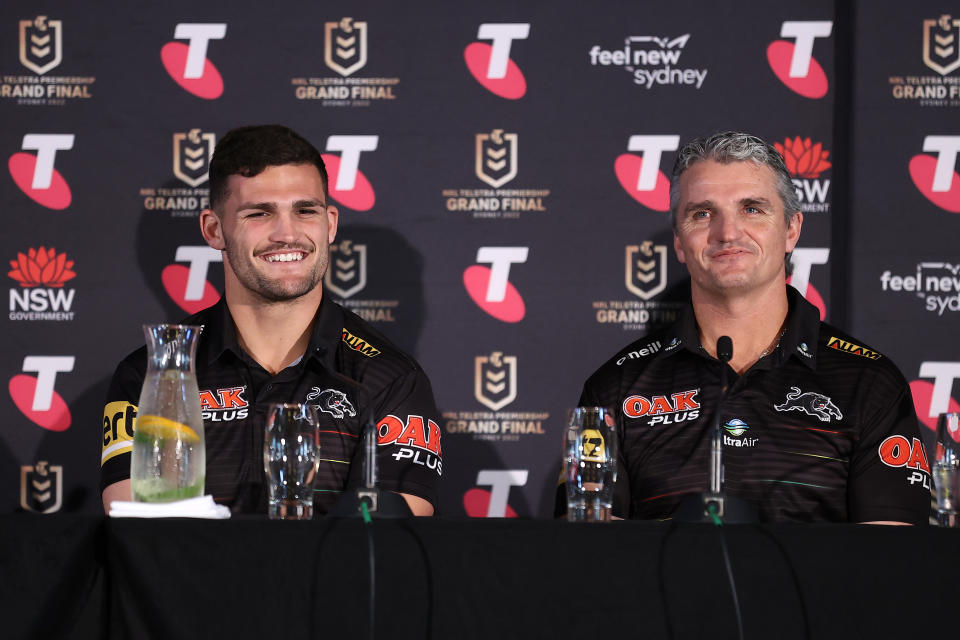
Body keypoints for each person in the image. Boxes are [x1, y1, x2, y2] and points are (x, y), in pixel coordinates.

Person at [573, 131, 929, 523]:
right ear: (678, 242)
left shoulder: (868, 383)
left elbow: (894, 561)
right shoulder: (616, 387)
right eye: (702, 213)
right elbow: (593, 561)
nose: (727, 233)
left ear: (792, 230)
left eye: (752, 209)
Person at [101, 125, 441, 516]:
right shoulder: (152, 375)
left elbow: (388, 545)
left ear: (330, 224)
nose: (287, 234)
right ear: (214, 229)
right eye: (259, 213)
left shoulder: (390, 379)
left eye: (305, 210)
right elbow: (141, 530)